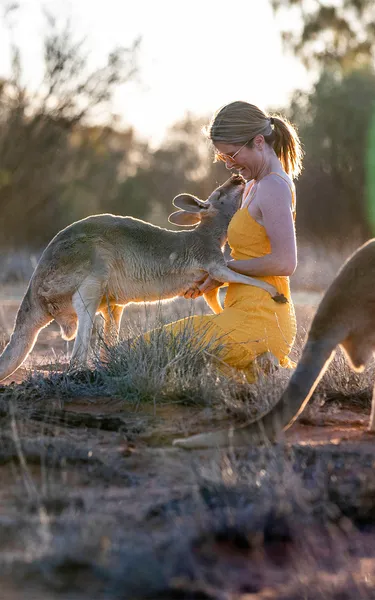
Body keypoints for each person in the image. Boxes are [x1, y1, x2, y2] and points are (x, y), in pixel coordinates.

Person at [153, 100, 303, 383]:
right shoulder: (253, 185)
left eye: (232, 155)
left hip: (262, 315)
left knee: (154, 349)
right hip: (243, 310)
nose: (229, 164)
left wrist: (222, 271)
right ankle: (262, 370)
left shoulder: (272, 186)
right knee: (183, 361)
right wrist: (216, 276)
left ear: (259, 142)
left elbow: (285, 262)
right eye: (223, 158)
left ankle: (264, 362)